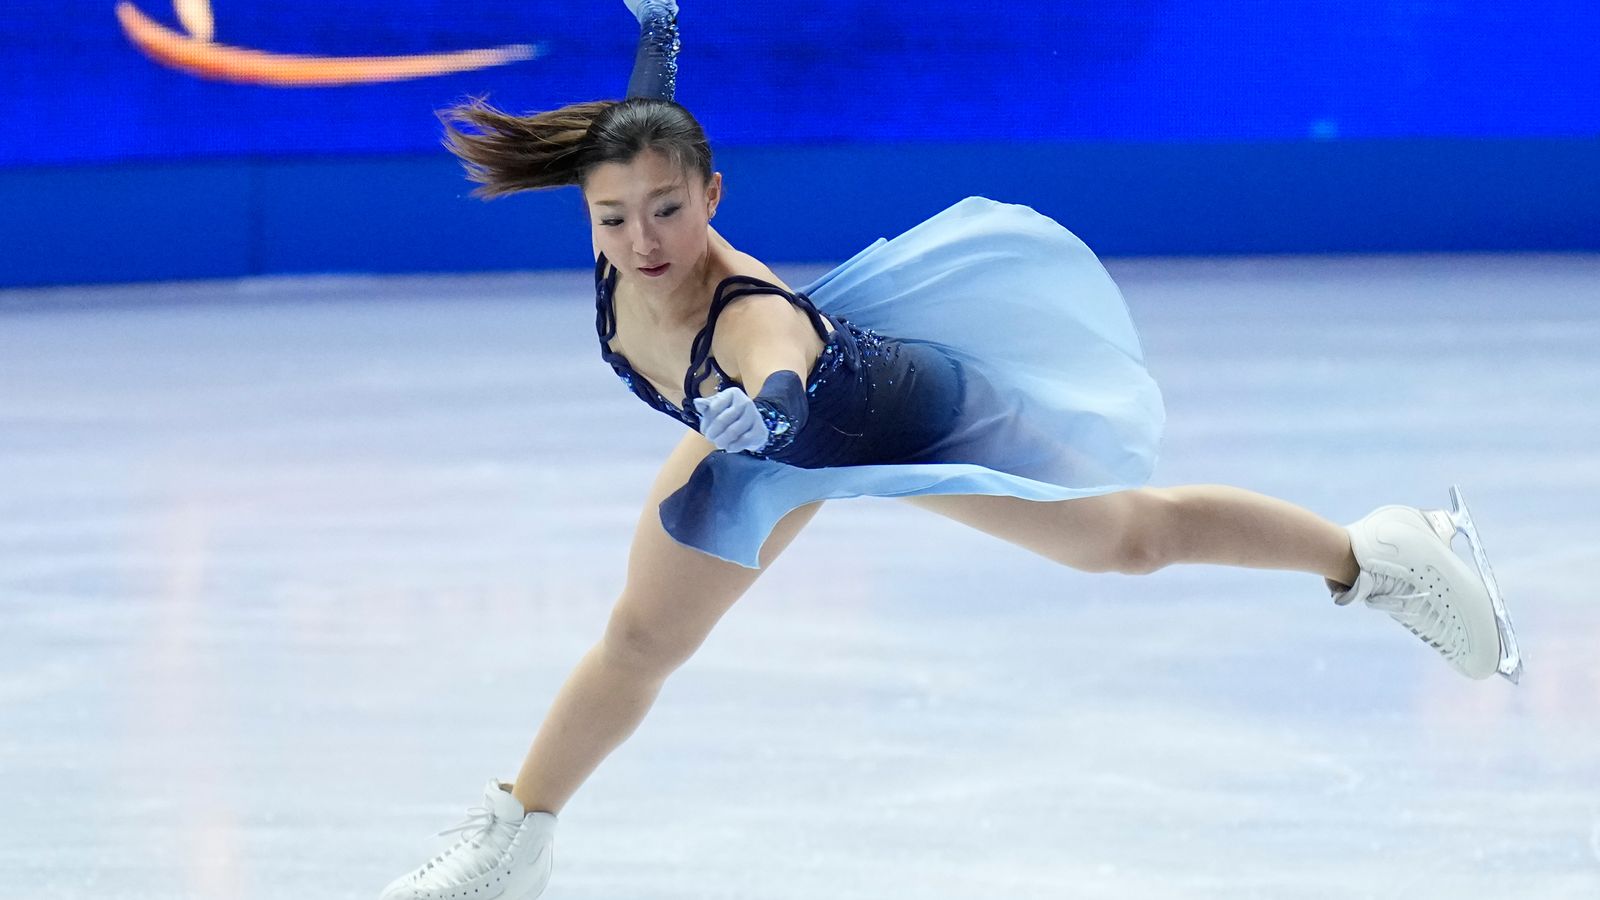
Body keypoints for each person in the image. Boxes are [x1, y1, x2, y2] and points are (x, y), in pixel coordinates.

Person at [379, 3, 1523, 898]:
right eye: (614, 218)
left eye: (669, 212)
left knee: (1125, 539)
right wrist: (659, 28)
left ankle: (1382, 551)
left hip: (904, 410)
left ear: (712, 195)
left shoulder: (742, 317)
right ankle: (514, 843)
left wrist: (760, 413)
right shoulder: (630, 217)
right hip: (766, 454)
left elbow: (777, 376)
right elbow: (639, 131)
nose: (643, 240)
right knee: (637, 638)